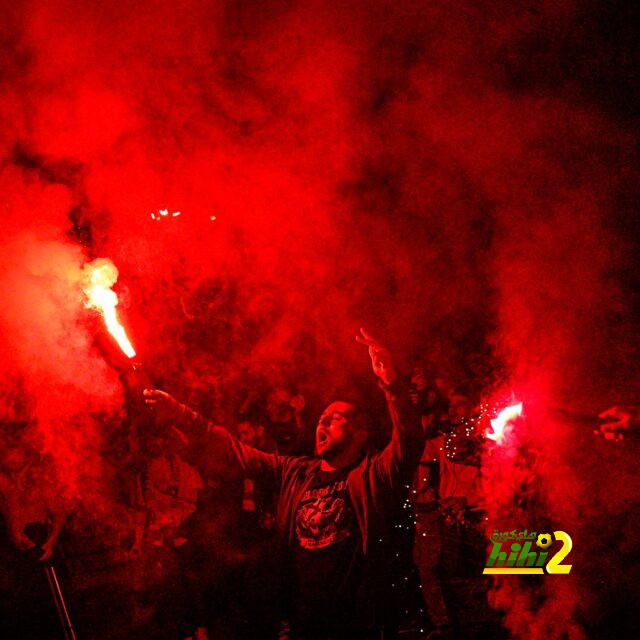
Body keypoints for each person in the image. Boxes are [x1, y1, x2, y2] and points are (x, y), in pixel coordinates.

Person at [143, 328, 424, 640]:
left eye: (335, 418)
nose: (323, 421)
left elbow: (409, 440)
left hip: (357, 622)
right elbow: (233, 449)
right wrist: (179, 413)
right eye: (322, 417)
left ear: (360, 434)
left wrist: (391, 385)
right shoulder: (296, 472)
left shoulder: (374, 474)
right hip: (304, 621)